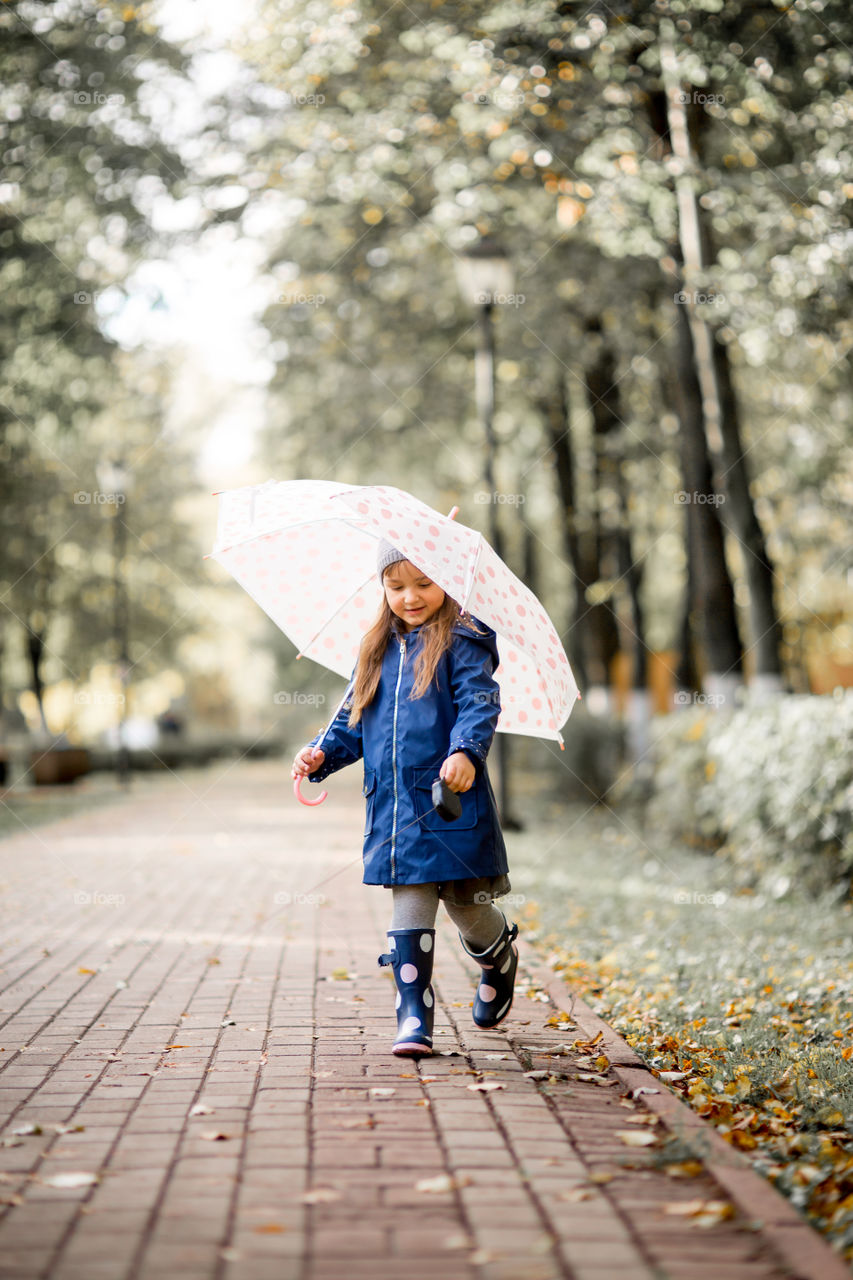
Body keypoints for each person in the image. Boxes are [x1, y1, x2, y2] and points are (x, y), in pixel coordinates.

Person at [291, 539, 518, 1057]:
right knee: (410, 898)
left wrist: (465, 751)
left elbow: (480, 703)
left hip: (448, 795)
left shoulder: (464, 638)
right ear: (382, 587)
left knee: (467, 907)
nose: (410, 597)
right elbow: (353, 722)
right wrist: (320, 754)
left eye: (424, 583)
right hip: (395, 806)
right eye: (396, 586)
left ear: (447, 583)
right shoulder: (373, 649)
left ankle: (498, 956)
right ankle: (414, 1013)